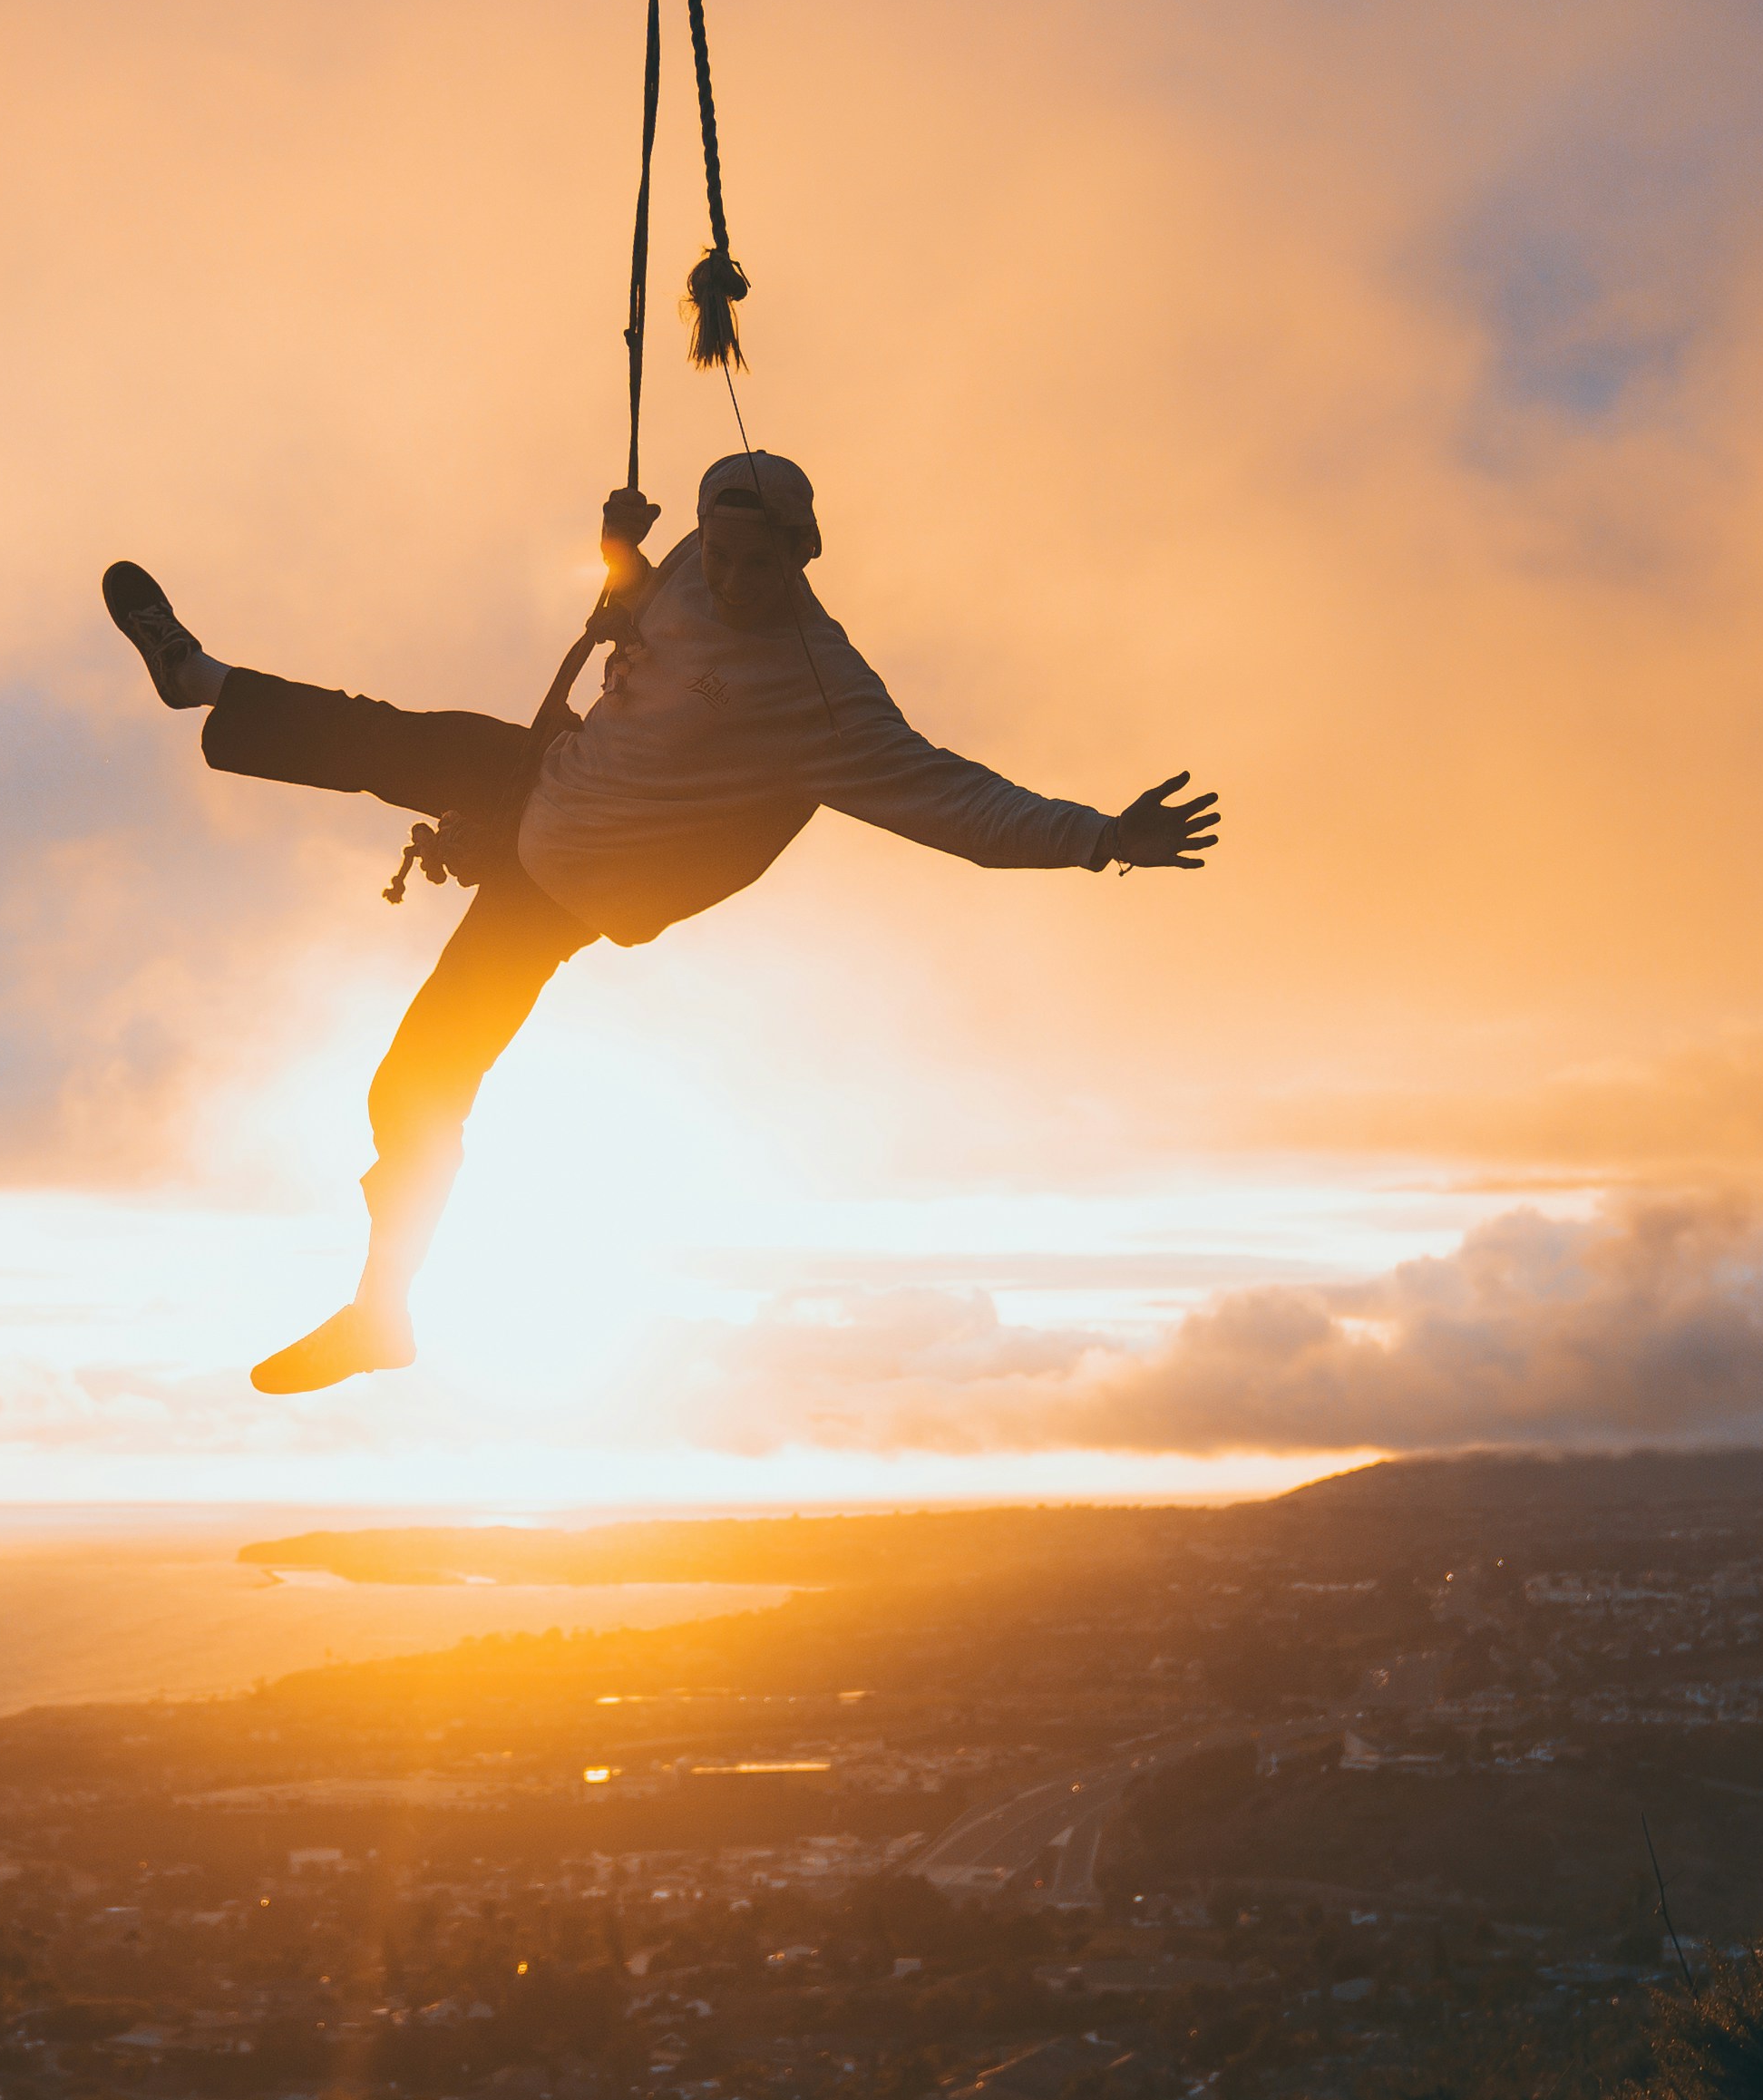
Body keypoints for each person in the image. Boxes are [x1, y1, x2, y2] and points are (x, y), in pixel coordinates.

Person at [103, 451, 1219, 1395]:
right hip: (544, 775)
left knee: (411, 1084)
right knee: (378, 739)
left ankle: (378, 1312)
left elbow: (950, 799)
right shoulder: (689, 565)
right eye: (718, 554)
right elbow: (653, 607)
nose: (730, 578)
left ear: (801, 558)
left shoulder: (821, 696)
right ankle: (197, 678)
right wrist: (619, 555)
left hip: (567, 883)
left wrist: (1101, 836)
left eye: (756, 563)